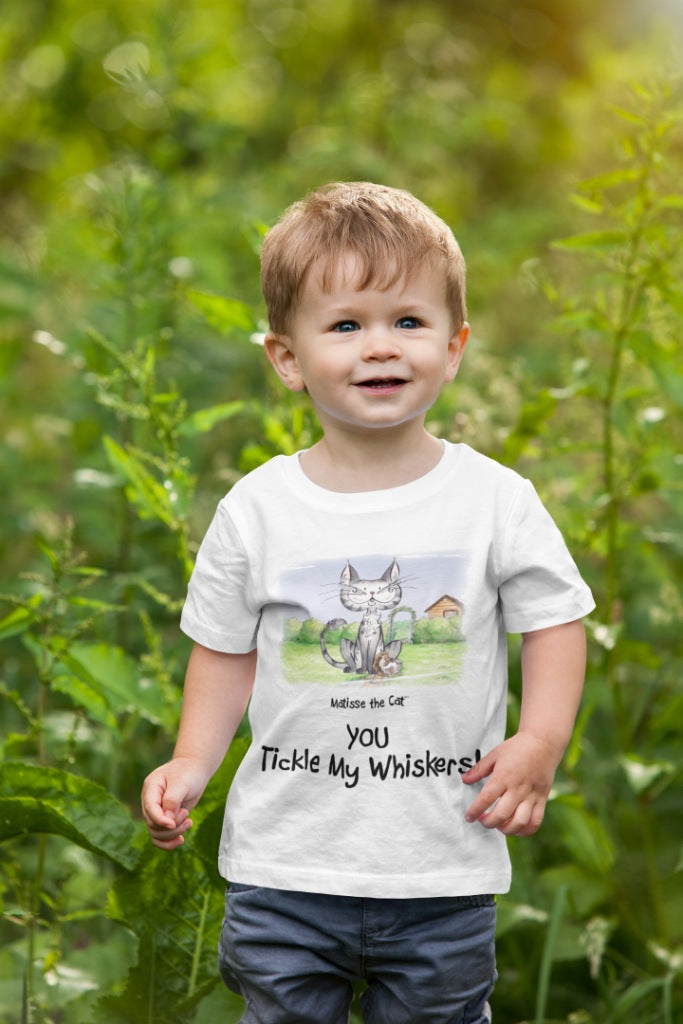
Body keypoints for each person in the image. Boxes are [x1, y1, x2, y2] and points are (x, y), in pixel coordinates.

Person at [141, 181, 595, 1024]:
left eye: (408, 322)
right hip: (285, 866)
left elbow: (554, 622)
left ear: (454, 346)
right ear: (286, 357)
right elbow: (225, 647)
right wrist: (193, 761)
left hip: (438, 868)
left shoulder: (493, 501)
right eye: (346, 325)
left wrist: (540, 740)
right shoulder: (259, 508)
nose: (379, 347)